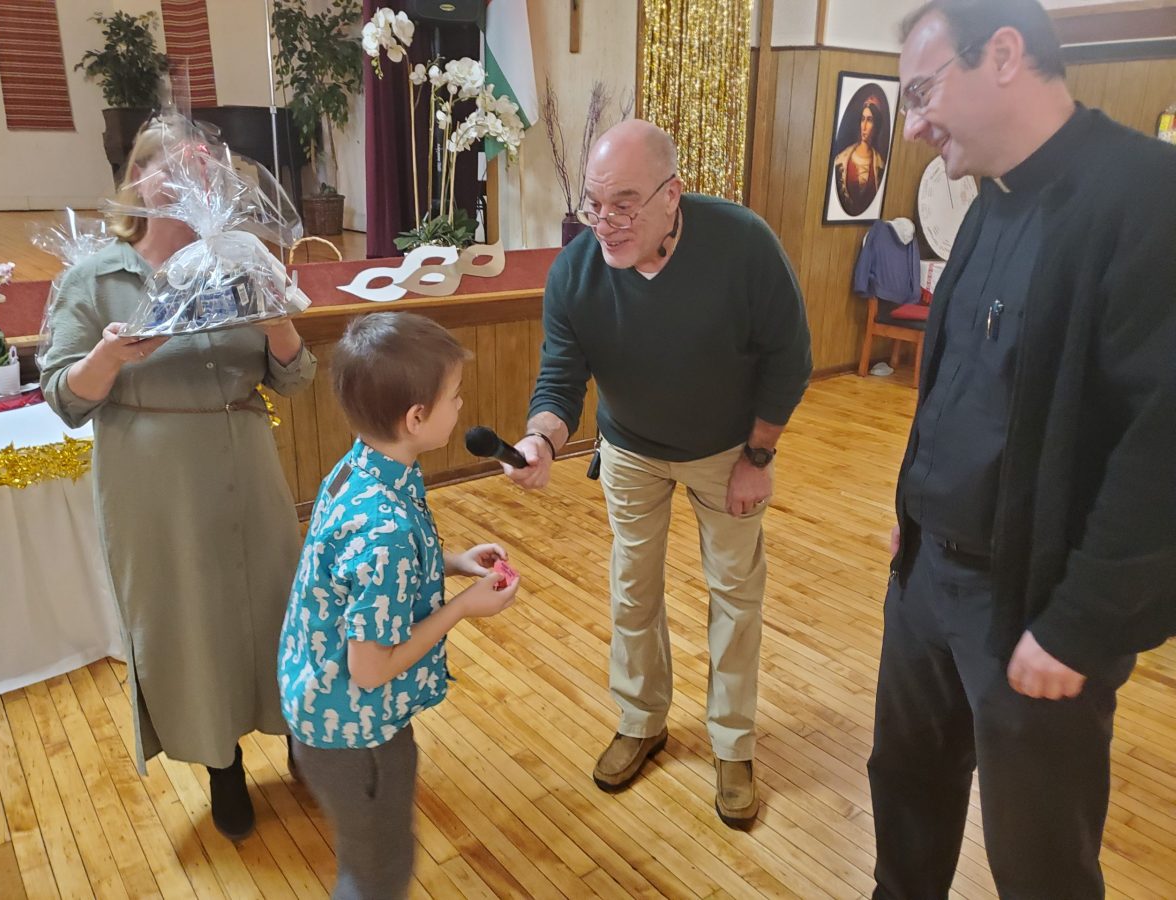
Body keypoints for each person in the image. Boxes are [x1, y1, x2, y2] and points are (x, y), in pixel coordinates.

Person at [869, 2, 1176, 898]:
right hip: (926, 579)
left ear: (1003, 54)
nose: (913, 124)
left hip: (1034, 603)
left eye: (921, 92)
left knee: (1039, 860)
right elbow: (958, 385)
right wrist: (914, 512)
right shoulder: (989, 203)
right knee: (906, 799)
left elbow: (1162, 444)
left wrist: (1080, 624)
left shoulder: (1146, 196)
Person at [503, 119, 812, 829]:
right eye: (594, 203)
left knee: (735, 595)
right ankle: (642, 720)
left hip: (728, 451)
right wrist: (541, 440)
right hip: (631, 450)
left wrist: (758, 458)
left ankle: (732, 744)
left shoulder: (742, 244)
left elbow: (789, 357)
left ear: (672, 195)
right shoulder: (575, 273)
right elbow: (561, 378)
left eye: (624, 204)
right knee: (632, 588)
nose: (605, 223)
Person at [40, 118, 317, 841]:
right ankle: (222, 765)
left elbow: (296, 378)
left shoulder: (240, 258)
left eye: (201, 164)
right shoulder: (94, 277)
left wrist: (278, 320)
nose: (187, 176)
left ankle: (302, 738)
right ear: (137, 178)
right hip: (152, 482)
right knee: (188, 619)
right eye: (169, 164)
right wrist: (108, 357)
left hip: (245, 462)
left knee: (277, 604)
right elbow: (63, 398)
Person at [279, 312, 520, 900]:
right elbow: (371, 669)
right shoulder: (383, 530)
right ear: (416, 417)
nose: (460, 407)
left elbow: (358, 577)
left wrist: (453, 562)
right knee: (379, 870)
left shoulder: (363, 467)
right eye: (454, 396)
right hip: (352, 730)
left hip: (330, 707)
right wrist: (462, 609)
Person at [833, 93, 887, 216]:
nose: (864, 126)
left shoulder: (880, 165)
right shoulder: (841, 160)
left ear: (876, 125)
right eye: (863, 119)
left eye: (869, 120)